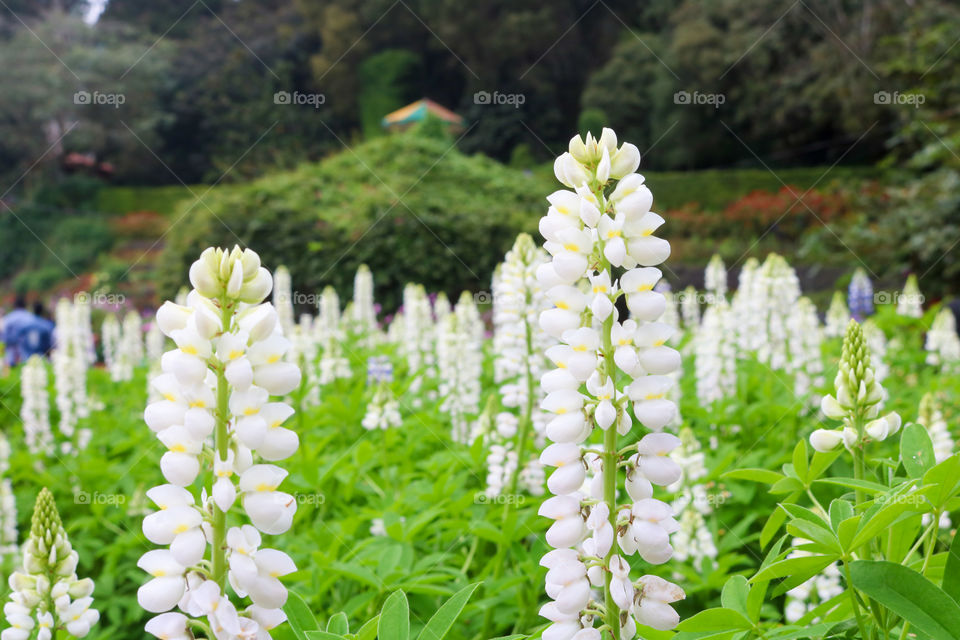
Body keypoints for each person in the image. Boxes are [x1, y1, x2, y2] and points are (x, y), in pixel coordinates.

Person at [3, 295, 35, 366]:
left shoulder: (8, 318)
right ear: (25, 305)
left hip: (11, 356)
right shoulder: (30, 317)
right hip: (28, 355)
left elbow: (4, 338)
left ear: (14, 306)